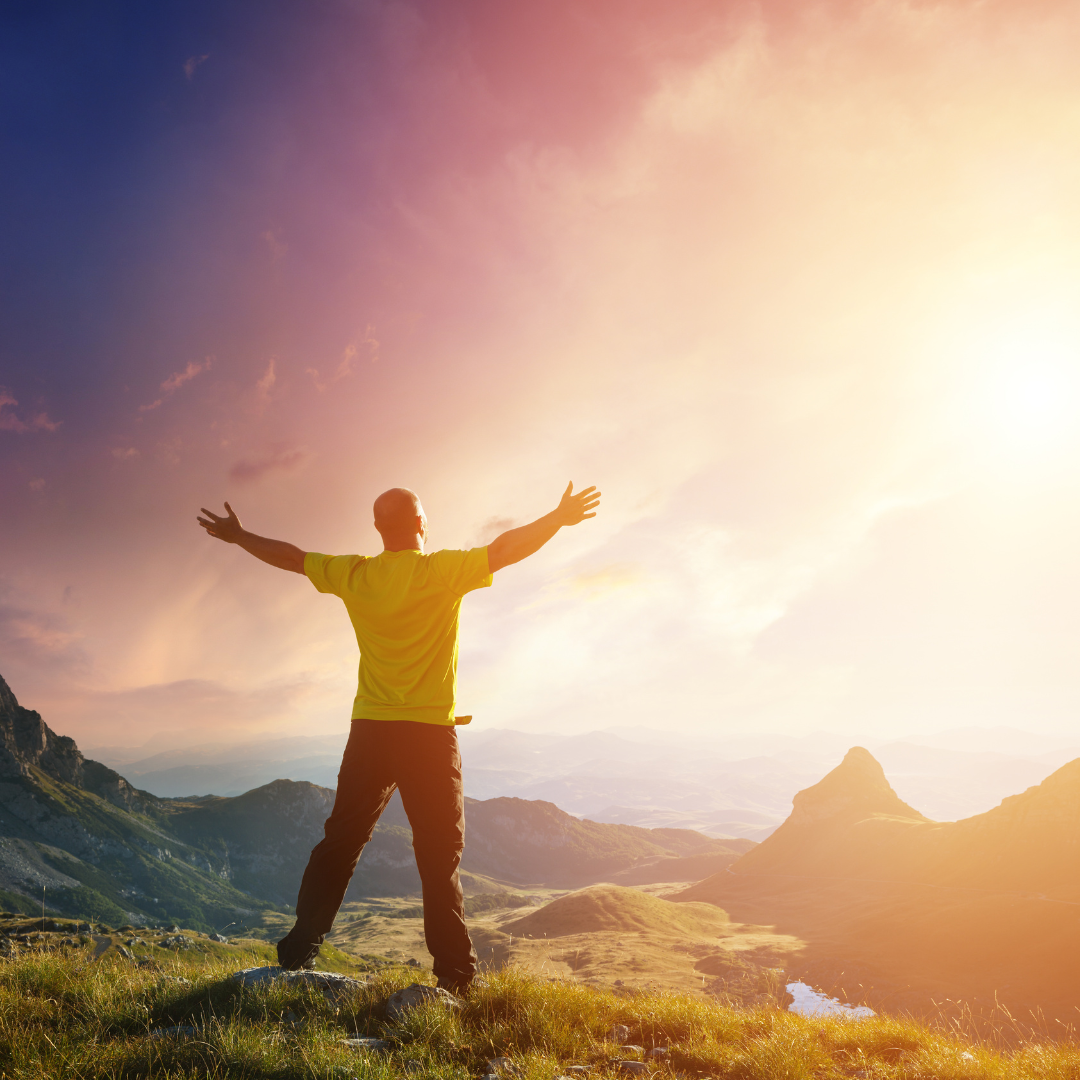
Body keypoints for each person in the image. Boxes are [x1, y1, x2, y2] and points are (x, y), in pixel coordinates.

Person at [196, 481, 601, 991]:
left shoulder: (356, 574)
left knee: (340, 843)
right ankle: (454, 976)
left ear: (377, 528)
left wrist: (239, 536)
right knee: (438, 855)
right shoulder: (441, 571)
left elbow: (293, 558)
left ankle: (300, 949)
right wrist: (557, 518)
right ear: (421, 525)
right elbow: (505, 549)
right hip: (428, 736)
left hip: (370, 732)